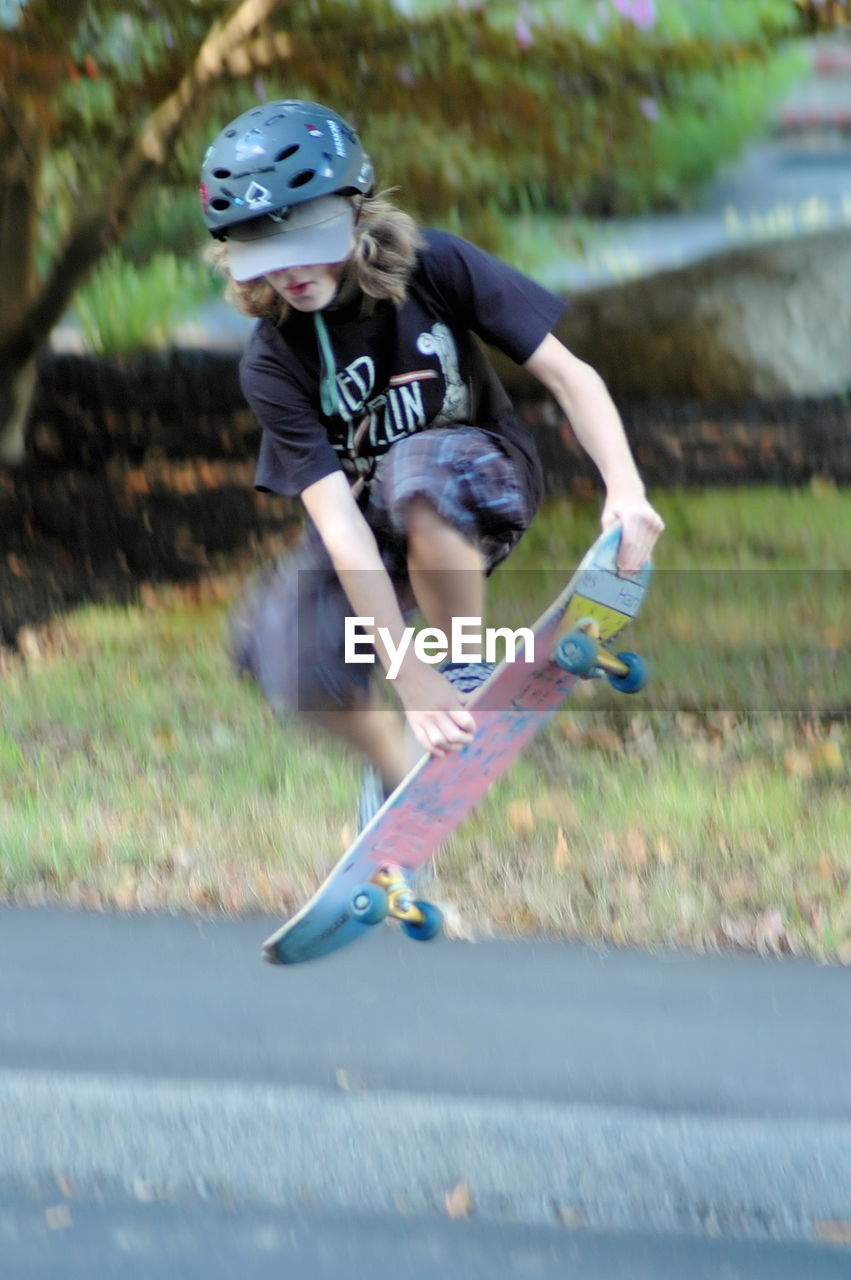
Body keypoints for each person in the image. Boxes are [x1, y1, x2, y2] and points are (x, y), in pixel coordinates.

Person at [200, 99, 664, 817]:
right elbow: (339, 527)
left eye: (307, 236)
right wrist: (403, 672)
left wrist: (625, 491)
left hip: (479, 478)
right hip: (370, 528)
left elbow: (570, 376)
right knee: (281, 648)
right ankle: (399, 776)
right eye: (265, 249)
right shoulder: (271, 361)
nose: (290, 269)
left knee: (415, 468)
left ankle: (464, 656)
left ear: (354, 209)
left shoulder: (434, 266)